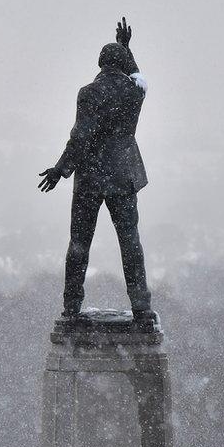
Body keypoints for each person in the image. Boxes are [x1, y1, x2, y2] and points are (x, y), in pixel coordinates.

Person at [38, 17, 156, 329]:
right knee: (130, 243)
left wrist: (61, 169)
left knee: (79, 243)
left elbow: (81, 136)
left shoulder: (89, 93)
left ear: (100, 63)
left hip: (91, 176)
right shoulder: (134, 93)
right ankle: (141, 306)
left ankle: (72, 305)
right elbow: (139, 78)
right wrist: (127, 50)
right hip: (123, 176)